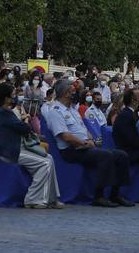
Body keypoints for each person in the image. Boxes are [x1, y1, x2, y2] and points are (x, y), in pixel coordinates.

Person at [42, 77, 133, 208]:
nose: (75, 93)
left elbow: (84, 130)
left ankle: (115, 194)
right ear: (66, 93)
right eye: (72, 91)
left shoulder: (72, 110)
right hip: (71, 150)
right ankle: (99, 196)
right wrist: (84, 144)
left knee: (121, 155)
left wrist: (90, 140)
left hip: (85, 147)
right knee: (105, 156)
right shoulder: (55, 111)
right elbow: (65, 136)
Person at [0, 81, 61, 210]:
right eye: (13, 95)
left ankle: (51, 198)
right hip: (10, 151)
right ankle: (33, 199)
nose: (15, 97)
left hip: (16, 148)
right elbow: (24, 127)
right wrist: (24, 120)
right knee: (45, 163)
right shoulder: (3, 113)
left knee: (49, 158)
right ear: (6, 98)